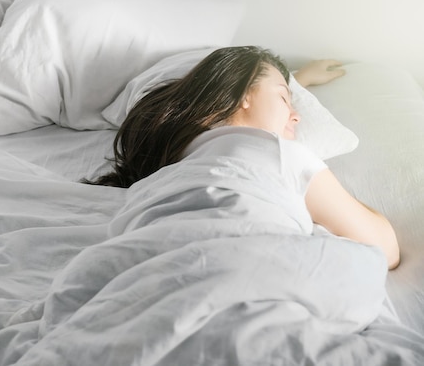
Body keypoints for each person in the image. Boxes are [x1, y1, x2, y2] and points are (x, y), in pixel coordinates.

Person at [88, 46, 400, 269]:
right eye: (284, 98)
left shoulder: (176, 158)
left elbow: (247, 102)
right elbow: (385, 250)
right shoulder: (282, 154)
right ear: (241, 96)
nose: (297, 116)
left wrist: (294, 80)